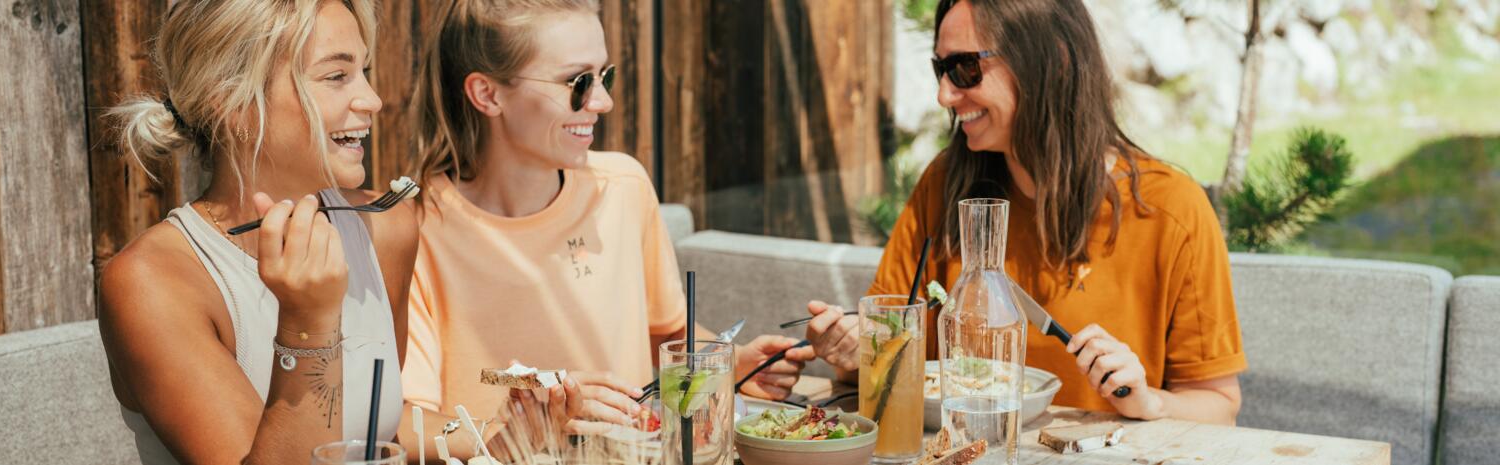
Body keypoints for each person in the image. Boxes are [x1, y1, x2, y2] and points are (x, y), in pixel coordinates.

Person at [397, 0, 815, 458]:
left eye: (605, 76)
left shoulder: (624, 187)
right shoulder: (415, 229)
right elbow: (406, 424)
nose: (603, 101)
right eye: (577, 82)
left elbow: (667, 334)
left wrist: (729, 365)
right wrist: (515, 431)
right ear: (488, 94)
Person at [801, 0, 1246, 425]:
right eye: (940, 68)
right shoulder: (944, 186)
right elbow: (882, 367)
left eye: (965, 68)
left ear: (1051, 62)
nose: (944, 94)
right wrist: (853, 349)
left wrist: (1150, 402)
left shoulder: (1171, 211)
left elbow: (1219, 407)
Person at [96, 1, 421, 463]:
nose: (373, 99)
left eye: (364, 71)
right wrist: (308, 326)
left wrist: (497, 434)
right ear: (231, 101)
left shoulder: (385, 228)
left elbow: (372, 430)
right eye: (336, 76)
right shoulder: (152, 283)